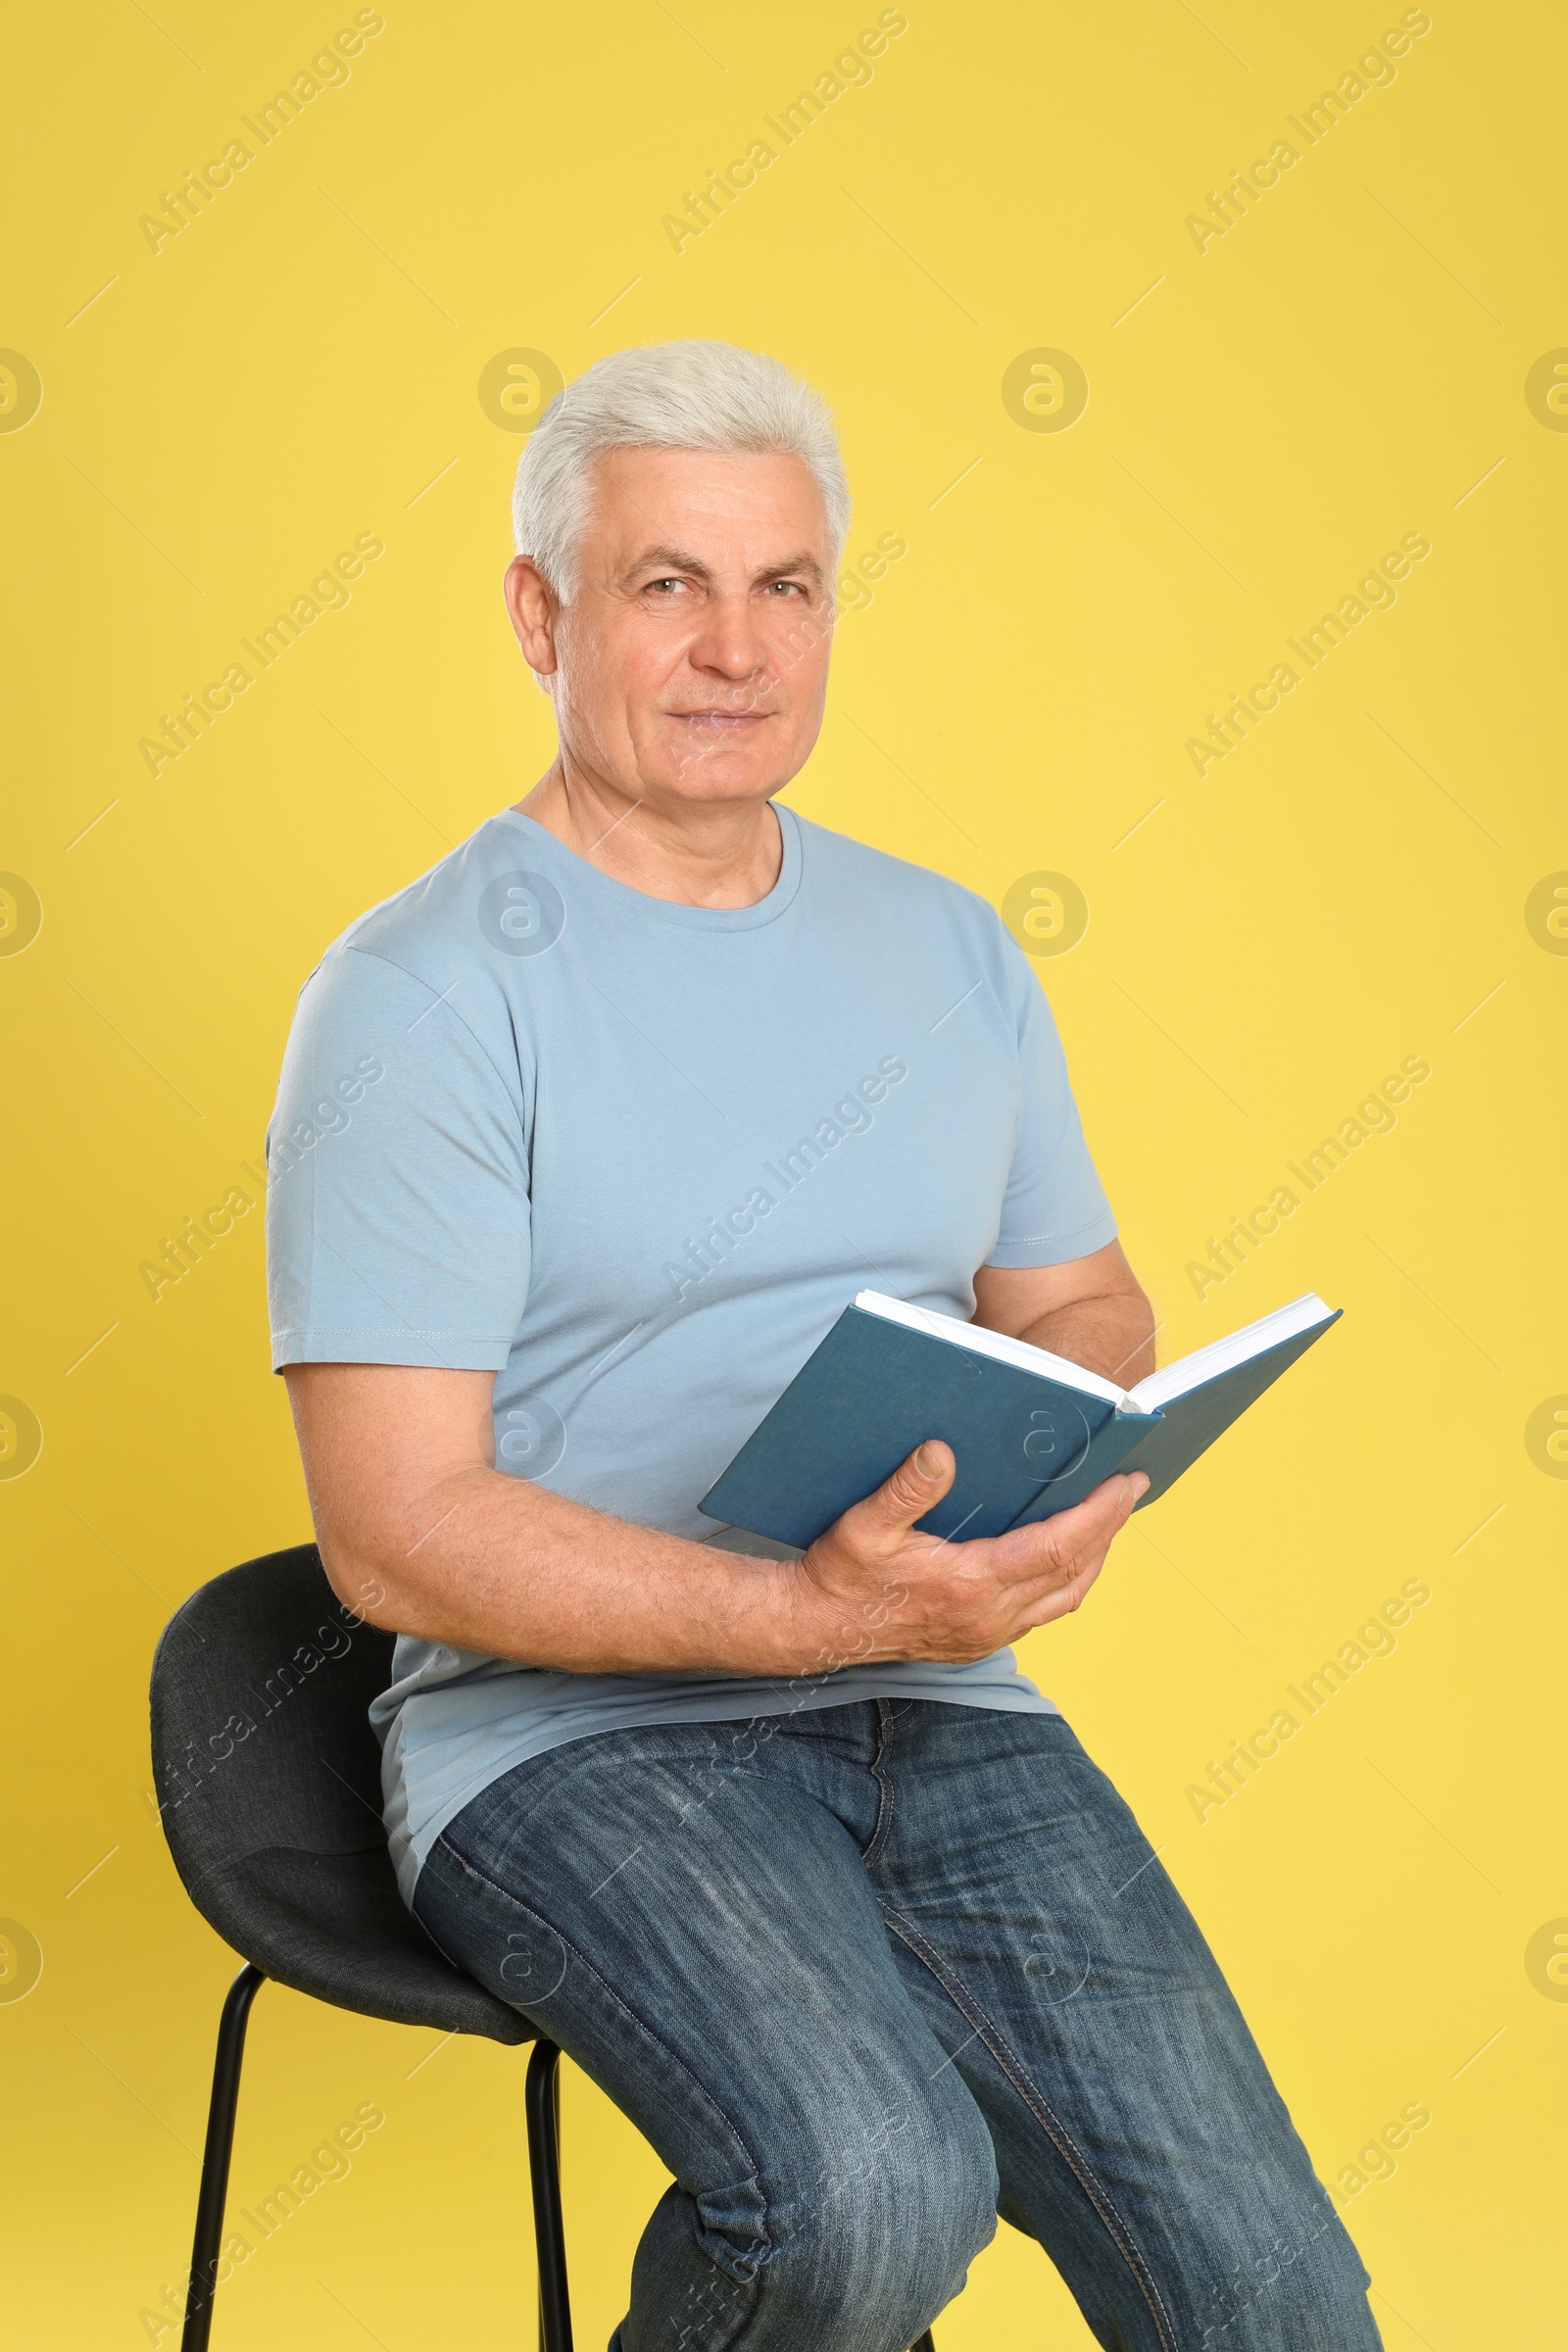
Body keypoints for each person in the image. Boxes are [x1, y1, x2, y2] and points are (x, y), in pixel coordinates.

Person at [268, 340, 1381, 2351]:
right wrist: (801, 1614)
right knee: (867, 2201)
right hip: (569, 1741)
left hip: (940, 1703)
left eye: (782, 586)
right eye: (663, 583)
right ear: (540, 614)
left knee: (1273, 2299)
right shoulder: (417, 997)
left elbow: (1074, 1302)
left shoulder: (947, 945)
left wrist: (1075, 1435)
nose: (732, 648)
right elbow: (393, 1534)